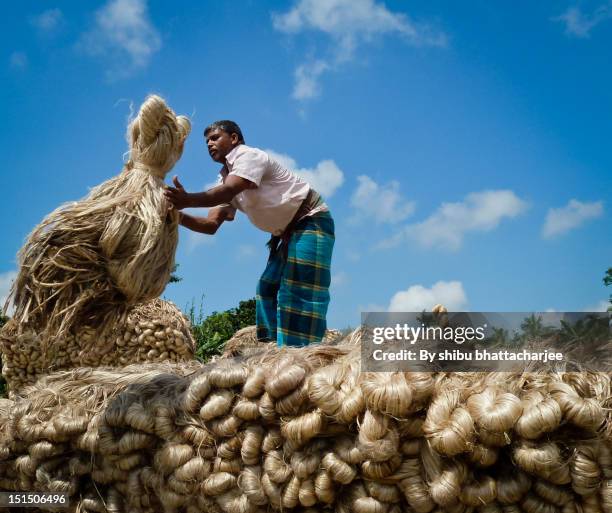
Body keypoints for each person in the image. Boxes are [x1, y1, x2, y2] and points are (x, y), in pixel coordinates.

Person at [164, 120, 335, 347]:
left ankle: (298, 354)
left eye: (215, 138)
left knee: (297, 290)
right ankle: (272, 349)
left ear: (234, 138)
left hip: (310, 221)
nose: (209, 144)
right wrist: (176, 216)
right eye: (206, 141)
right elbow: (210, 225)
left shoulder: (248, 157)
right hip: (286, 234)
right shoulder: (224, 178)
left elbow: (230, 190)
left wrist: (188, 200)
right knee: (267, 289)